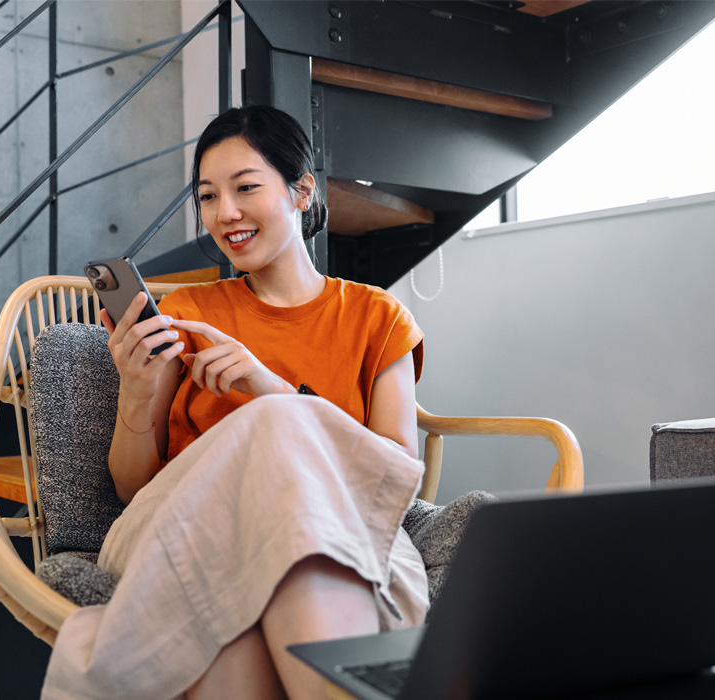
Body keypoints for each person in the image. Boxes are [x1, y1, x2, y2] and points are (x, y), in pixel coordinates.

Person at [41, 105, 428, 700]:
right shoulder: (190, 315)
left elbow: (394, 473)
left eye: (246, 188)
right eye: (208, 196)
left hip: (337, 529)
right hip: (188, 525)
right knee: (273, 442)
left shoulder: (377, 316)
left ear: (301, 192)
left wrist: (269, 389)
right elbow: (132, 488)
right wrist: (138, 395)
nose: (226, 214)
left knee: (251, 621)